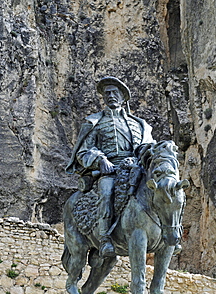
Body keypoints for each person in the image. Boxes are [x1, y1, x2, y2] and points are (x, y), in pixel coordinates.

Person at [66, 76, 154, 258]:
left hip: (135, 168)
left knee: (160, 189)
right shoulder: (94, 122)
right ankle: (105, 239)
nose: (111, 96)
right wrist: (100, 159)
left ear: (123, 97)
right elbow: (83, 151)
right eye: (107, 93)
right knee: (107, 193)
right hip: (110, 171)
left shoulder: (140, 124)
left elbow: (148, 148)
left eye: (115, 93)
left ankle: (170, 234)